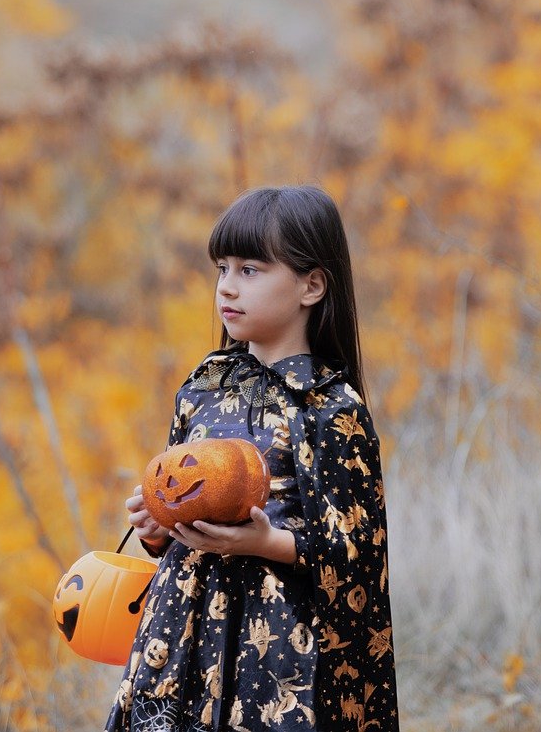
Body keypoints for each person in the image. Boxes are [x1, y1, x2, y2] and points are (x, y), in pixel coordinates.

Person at [104, 185, 398, 731]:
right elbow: (178, 505)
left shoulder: (331, 408)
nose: (227, 289)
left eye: (251, 270)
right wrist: (154, 528)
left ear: (311, 285)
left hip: (277, 647)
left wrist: (265, 543)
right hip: (184, 634)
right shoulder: (203, 389)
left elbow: (357, 554)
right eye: (222, 269)